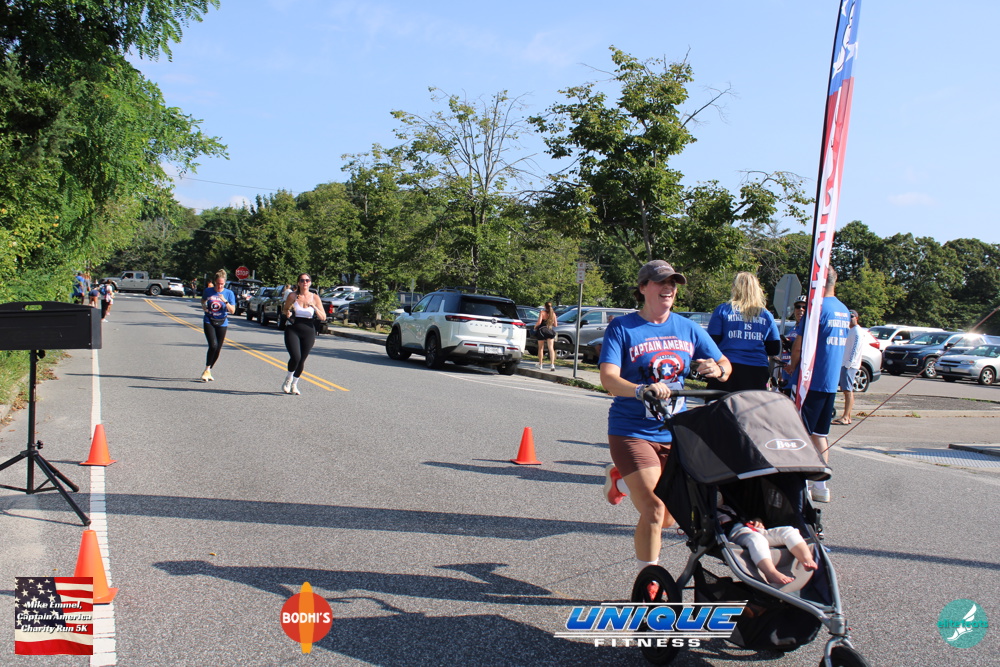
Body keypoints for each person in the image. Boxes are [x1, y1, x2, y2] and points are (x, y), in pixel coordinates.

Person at [599, 260, 731, 576]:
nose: (669, 288)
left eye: (673, 283)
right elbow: (608, 379)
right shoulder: (623, 327)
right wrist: (641, 390)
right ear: (643, 288)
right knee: (654, 510)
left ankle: (620, 478)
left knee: (672, 518)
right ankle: (650, 581)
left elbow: (725, 365)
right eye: (661, 282)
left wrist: (717, 369)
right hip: (632, 431)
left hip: (674, 432)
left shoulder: (688, 328)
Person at [787, 269, 850, 503]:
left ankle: (801, 483)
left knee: (800, 432)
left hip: (809, 380)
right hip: (829, 382)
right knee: (820, 434)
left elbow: (798, 346)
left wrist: (791, 366)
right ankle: (821, 486)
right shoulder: (843, 310)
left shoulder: (816, 309)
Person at [706, 272, 782, 391]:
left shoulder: (723, 310)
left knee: (720, 401)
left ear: (735, 288)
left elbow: (712, 342)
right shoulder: (766, 315)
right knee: (751, 403)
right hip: (756, 370)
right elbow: (774, 348)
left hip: (727, 367)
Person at [718, 506, 818, 586]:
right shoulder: (714, 510)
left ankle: (806, 558)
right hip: (735, 533)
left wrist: (757, 521)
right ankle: (770, 572)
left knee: (789, 530)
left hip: (753, 528)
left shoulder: (730, 506)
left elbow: (752, 516)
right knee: (757, 539)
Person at [280, 273, 326, 395]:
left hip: (309, 330)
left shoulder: (315, 297)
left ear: (310, 282)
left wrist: (314, 307)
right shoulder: (292, 296)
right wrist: (288, 313)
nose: (304, 282)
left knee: (302, 360)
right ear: (298, 283)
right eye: (302, 280)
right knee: (296, 357)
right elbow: (285, 310)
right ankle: (288, 380)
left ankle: (295, 384)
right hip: (293, 329)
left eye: (307, 280)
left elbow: (323, 317)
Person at [200, 270, 236, 382]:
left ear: (225, 283)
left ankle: (208, 370)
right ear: (215, 282)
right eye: (218, 283)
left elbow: (233, 311)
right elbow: (203, 300)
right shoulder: (208, 291)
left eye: (222, 284)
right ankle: (207, 369)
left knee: (218, 349)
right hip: (209, 320)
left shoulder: (229, 293)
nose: (219, 286)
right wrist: (204, 307)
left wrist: (225, 301)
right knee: (213, 345)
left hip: (222, 322)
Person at [833, 310, 865, 425]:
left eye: (852, 316)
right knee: (845, 390)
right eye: (848, 316)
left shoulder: (857, 331)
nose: (850, 318)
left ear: (856, 318)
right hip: (844, 363)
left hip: (850, 365)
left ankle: (846, 417)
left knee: (848, 390)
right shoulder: (849, 330)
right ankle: (847, 416)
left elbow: (856, 348)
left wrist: (849, 363)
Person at [777, 295, 807, 395]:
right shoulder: (793, 328)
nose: (801, 309)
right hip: (786, 376)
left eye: (804, 307)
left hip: (796, 377)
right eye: (798, 307)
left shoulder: (807, 329)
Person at [534, 302, 558, 371]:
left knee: (541, 348)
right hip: (550, 331)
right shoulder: (553, 314)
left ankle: (540, 364)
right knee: (551, 348)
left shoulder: (542, 312)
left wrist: (535, 327)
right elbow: (555, 325)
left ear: (545, 306)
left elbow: (539, 322)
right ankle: (552, 365)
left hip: (542, 331)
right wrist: (550, 322)